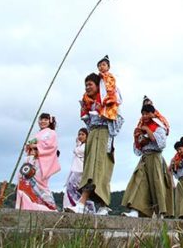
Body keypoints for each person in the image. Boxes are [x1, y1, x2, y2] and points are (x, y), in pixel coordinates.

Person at [66, 73, 123, 215]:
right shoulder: (89, 102)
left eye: (90, 84)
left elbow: (118, 120)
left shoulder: (108, 101)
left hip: (104, 135)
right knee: (92, 169)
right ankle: (101, 205)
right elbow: (88, 122)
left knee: (98, 169)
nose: (87, 87)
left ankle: (82, 203)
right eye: (86, 85)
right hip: (93, 135)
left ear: (98, 86)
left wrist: (101, 112)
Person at [121, 104, 174, 218]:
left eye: (146, 113)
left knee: (157, 185)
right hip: (144, 158)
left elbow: (160, 144)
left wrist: (147, 130)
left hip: (155, 158)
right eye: (143, 114)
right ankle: (135, 210)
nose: (144, 116)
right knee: (139, 181)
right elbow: (137, 149)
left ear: (153, 113)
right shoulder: (140, 127)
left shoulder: (159, 127)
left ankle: (160, 212)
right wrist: (138, 137)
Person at [16, 113, 61, 211]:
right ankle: (25, 206)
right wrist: (28, 146)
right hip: (30, 160)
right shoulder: (36, 133)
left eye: (45, 119)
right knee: (23, 181)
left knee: (39, 185)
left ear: (50, 121)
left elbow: (51, 147)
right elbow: (28, 145)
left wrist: (36, 146)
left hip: (41, 162)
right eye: (41, 119)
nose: (43, 121)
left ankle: (48, 206)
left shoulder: (51, 133)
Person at [63, 128, 95, 213]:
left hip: (81, 171)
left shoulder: (87, 146)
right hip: (75, 169)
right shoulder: (80, 145)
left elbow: (78, 151)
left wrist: (77, 145)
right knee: (70, 190)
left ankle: (84, 207)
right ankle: (71, 206)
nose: (80, 136)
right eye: (79, 134)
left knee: (76, 190)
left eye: (83, 134)